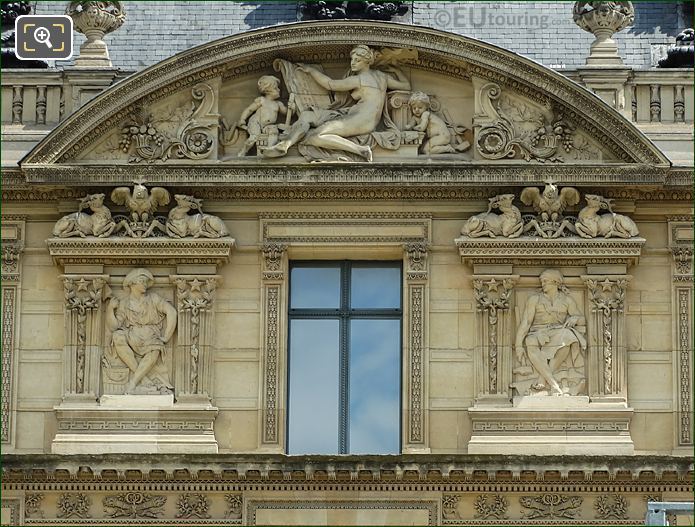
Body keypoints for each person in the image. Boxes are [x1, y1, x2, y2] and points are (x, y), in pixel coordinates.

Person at [263, 44, 411, 161]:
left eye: (357, 60)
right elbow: (406, 86)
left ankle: (361, 150)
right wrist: (396, 71)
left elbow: (330, 84)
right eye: (352, 59)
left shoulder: (357, 80)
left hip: (361, 120)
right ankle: (285, 145)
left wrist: (311, 71)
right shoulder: (382, 76)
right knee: (307, 115)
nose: (353, 63)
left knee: (315, 137)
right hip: (353, 114)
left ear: (367, 62)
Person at [514, 269, 586, 396]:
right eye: (542, 281)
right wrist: (518, 345)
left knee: (568, 336)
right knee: (530, 341)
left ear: (555, 282)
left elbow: (582, 319)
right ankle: (553, 384)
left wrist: (575, 318)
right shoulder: (534, 299)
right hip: (537, 332)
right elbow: (526, 323)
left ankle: (542, 380)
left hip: (557, 331)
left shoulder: (567, 300)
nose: (543, 284)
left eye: (545, 281)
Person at [106, 268, 177, 394]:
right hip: (132, 336)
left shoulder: (153, 298)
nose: (144, 284)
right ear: (132, 284)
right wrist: (110, 309)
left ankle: (133, 383)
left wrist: (166, 337)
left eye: (145, 281)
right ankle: (144, 380)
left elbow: (171, 312)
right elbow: (114, 326)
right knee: (117, 336)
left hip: (150, 335)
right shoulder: (125, 303)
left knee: (156, 347)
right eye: (141, 281)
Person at [236, 75, 288, 156]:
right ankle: (244, 151)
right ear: (268, 90)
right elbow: (249, 109)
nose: (279, 90)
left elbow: (286, 112)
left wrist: (292, 107)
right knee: (254, 137)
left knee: (274, 132)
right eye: (276, 88)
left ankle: (270, 149)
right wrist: (242, 119)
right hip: (256, 123)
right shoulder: (262, 100)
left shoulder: (278, 104)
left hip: (268, 125)